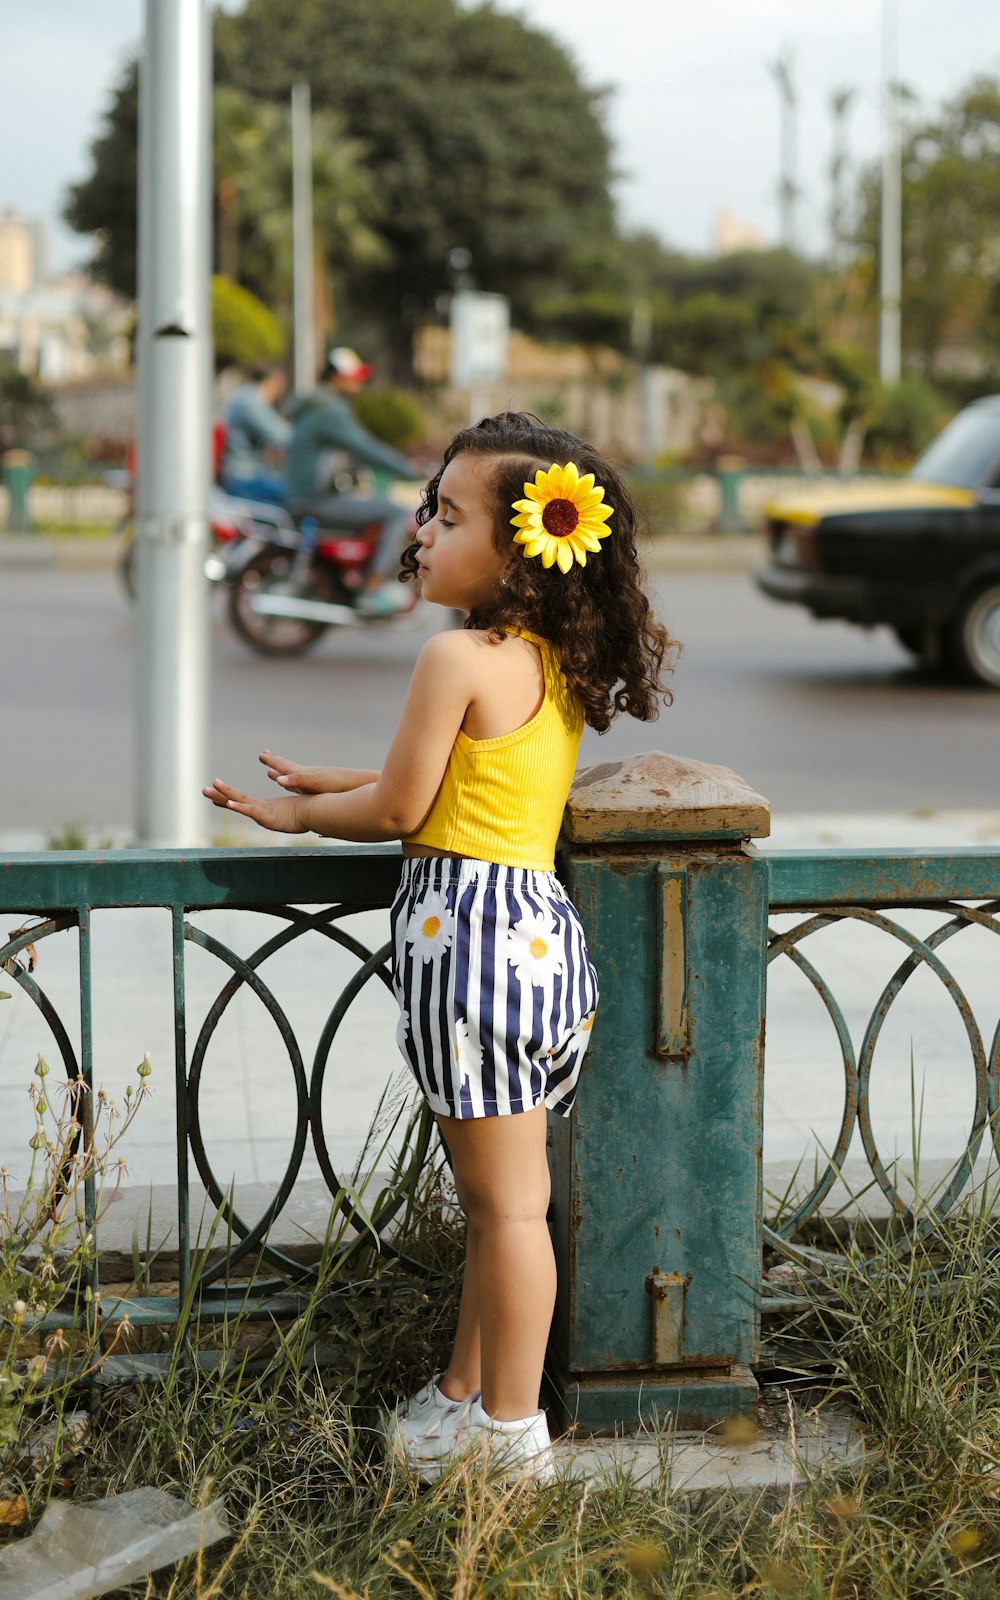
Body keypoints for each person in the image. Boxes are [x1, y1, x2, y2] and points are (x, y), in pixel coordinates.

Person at [203, 411, 678, 1482]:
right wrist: (337, 781)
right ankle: (463, 1394)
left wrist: (301, 816)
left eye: (446, 514)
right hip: (532, 940)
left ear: (519, 553)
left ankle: (510, 1433)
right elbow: (466, 788)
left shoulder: (451, 653)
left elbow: (402, 807)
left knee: (509, 1206)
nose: (419, 530)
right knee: (497, 1198)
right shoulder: (544, 660)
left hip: (471, 948)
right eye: (426, 507)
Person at [284, 346, 425, 617]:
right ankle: (373, 587)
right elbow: (364, 446)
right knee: (393, 512)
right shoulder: (329, 410)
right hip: (316, 500)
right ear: (335, 378)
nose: (359, 383)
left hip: (307, 495)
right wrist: (407, 469)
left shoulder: (316, 405)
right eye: (353, 377)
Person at [219, 363, 291, 505]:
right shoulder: (250, 401)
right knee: (297, 497)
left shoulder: (245, 396)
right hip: (242, 477)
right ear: (272, 381)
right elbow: (282, 436)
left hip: (245, 474)